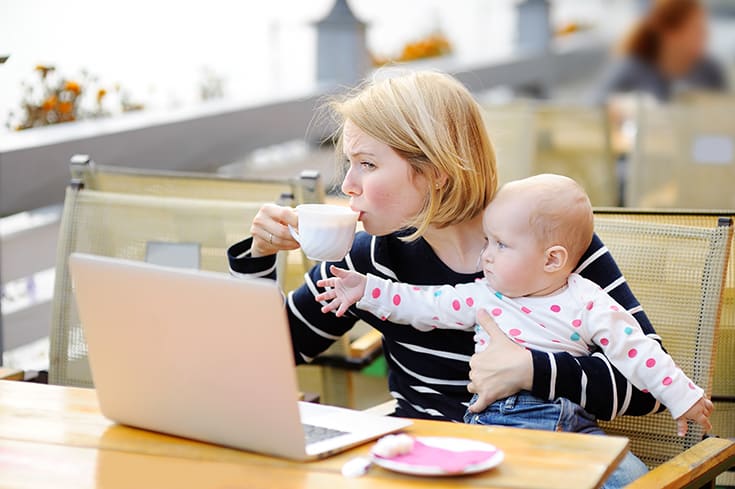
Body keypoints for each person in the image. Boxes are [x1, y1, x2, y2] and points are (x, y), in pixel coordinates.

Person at [228, 70, 653, 486]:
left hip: (536, 459)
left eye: (367, 164)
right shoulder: (370, 258)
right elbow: (265, 359)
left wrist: (531, 369)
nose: (349, 184)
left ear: (435, 171)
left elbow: (645, 387)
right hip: (417, 466)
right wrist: (259, 256)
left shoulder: (547, 248)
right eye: (350, 164)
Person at [314, 173, 713, 437]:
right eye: (487, 241)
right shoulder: (483, 295)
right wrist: (364, 289)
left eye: (501, 245)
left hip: (564, 422)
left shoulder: (588, 300)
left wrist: (683, 397)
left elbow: (639, 353)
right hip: (490, 424)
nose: (485, 256)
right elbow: (421, 304)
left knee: (624, 476)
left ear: (552, 259)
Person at [596, 0, 727, 103]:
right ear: (669, 32)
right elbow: (596, 110)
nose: (705, 36)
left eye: (704, 30)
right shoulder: (631, 70)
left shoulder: (710, 73)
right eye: (696, 30)